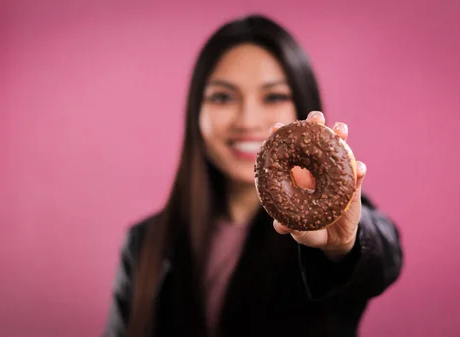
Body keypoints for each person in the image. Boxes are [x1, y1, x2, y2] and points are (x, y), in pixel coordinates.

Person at [102, 14, 403, 337]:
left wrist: (344, 245)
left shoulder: (321, 233)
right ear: (196, 112)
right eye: (222, 97)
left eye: (274, 96)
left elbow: (382, 253)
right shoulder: (145, 243)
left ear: (302, 106)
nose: (247, 120)